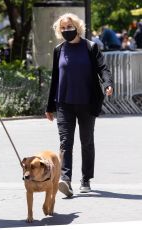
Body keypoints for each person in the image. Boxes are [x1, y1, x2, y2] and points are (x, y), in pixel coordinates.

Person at [45, 13, 113, 197]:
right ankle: (65, 180)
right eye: (63, 28)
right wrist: (49, 106)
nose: (67, 30)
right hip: (64, 103)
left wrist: (108, 83)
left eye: (70, 27)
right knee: (66, 142)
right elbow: (56, 79)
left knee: (86, 141)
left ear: (77, 27)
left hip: (87, 102)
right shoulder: (59, 50)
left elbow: (102, 68)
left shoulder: (90, 47)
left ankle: (85, 179)